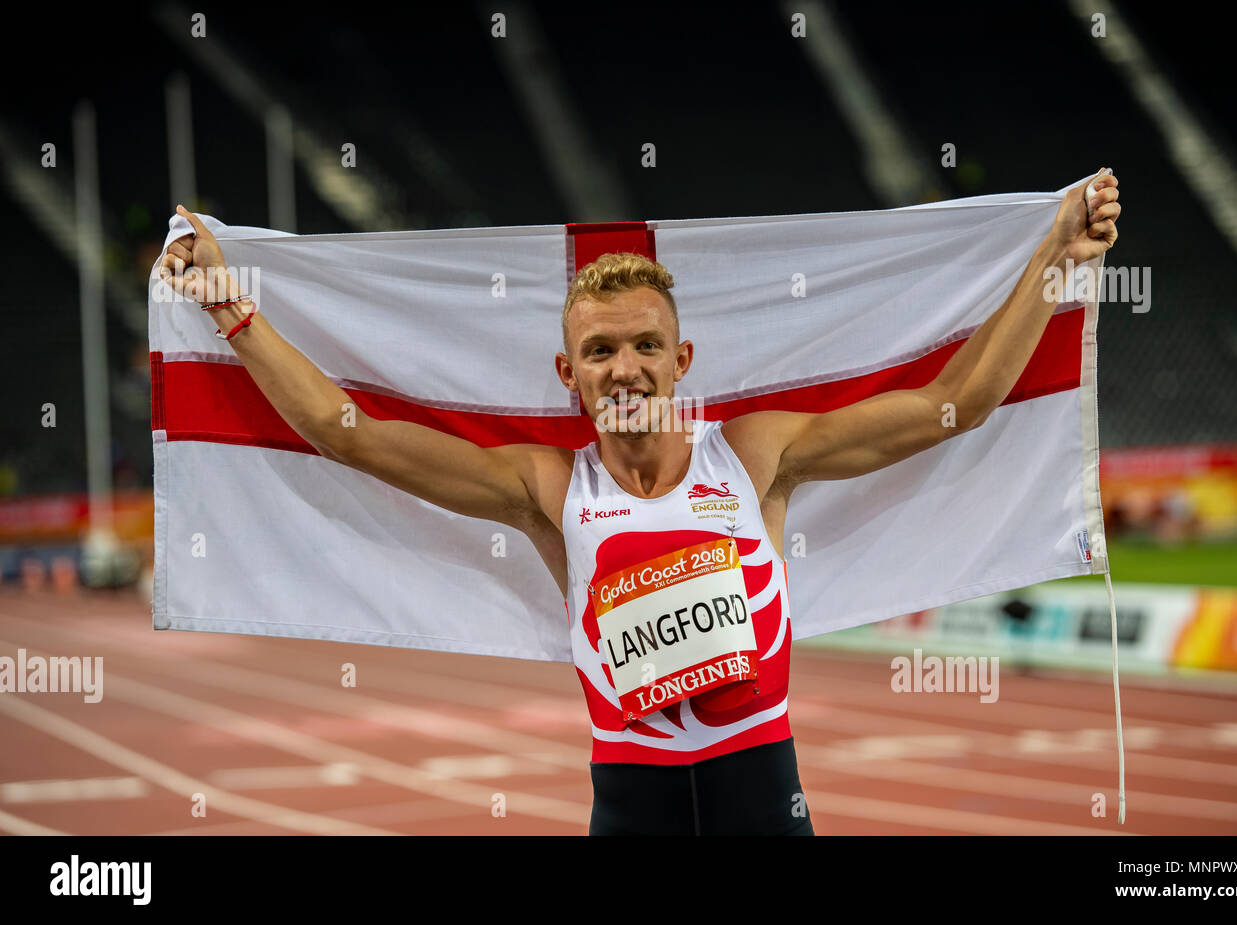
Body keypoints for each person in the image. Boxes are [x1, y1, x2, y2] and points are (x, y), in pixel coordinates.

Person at [158, 171, 1120, 835]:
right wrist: (230, 307)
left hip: (763, 796)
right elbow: (346, 431)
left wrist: (1056, 256)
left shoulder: (756, 457)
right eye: (602, 350)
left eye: (647, 346)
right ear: (567, 373)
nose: (627, 366)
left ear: (682, 360)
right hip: (632, 804)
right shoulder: (546, 491)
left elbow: (956, 407)